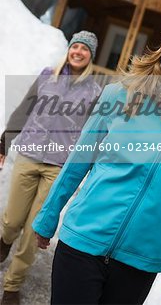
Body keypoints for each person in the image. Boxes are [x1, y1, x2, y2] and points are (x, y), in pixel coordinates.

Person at [32, 15, 161, 305]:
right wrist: (48, 216)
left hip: (140, 259)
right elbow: (78, 162)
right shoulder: (118, 95)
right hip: (83, 239)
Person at [0, 31, 102, 305]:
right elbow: (24, 109)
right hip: (29, 155)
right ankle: (4, 240)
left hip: (57, 166)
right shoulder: (47, 75)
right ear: (69, 49)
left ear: (91, 56)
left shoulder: (94, 91)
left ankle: (12, 285)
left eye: (84, 49)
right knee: (11, 221)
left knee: (34, 230)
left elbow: (90, 134)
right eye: (75, 46)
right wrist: (4, 143)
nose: (78, 51)